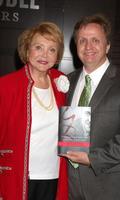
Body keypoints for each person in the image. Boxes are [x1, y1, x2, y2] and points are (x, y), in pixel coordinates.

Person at [62, 13, 120, 200]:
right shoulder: (67, 81)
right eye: (82, 41)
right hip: (70, 185)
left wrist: (92, 159)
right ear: (76, 46)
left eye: (95, 40)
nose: (88, 47)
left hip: (109, 187)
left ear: (107, 45)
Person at [0, 21, 69, 200]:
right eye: (38, 47)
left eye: (52, 49)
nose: (45, 54)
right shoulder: (6, 86)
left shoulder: (60, 83)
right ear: (27, 49)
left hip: (53, 175)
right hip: (17, 176)